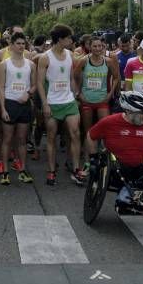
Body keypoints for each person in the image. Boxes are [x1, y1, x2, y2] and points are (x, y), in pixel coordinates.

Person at [86, 91, 143, 214]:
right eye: (141, 112)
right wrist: (93, 158)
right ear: (128, 111)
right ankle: (125, 201)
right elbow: (91, 136)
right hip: (116, 167)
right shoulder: (109, 122)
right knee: (123, 174)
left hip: (140, 167)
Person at [37, 24, 83, 186]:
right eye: (69, 38)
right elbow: (40, 83)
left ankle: (76, 168)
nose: (71, 40)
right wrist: (45, 104)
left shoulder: (70, 54)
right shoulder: (45, 57)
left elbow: (71, 78)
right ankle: (51, 171)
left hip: (69, 101)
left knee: (75, 133)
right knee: (51, 138)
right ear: (60, 39)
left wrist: (75, 93)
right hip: (52, 102)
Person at [0, 32, 36, 185]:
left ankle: (22, 170)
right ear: (11, 45)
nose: (21, 46)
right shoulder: (4, 64)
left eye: (23, 44)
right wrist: (3, 109)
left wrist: (28, 93)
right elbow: (0, 87)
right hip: (10, 104)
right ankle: (5, 172)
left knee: (21, 140)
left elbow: (34, 85)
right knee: (7, 139)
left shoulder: (30, 64)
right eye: (18, 43)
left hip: (24, 105)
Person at [74, 35, 120, 168]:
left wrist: (110, 94)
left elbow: (116, 78)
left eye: (100, 46)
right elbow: (75, 76)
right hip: (87, 100)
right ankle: (88, 161)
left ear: (103, 47)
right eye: (94, 46)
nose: (98, 48)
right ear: (89, 47)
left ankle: (106, 160)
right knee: (88, 131)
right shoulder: (83, 61)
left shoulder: (109, 61)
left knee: (105, 130)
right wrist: (78, 93)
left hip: (102, 100)